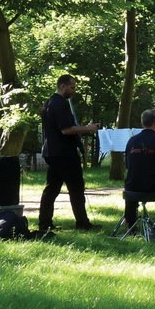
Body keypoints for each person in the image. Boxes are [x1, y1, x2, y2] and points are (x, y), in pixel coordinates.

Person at [38, 74, 100, 233]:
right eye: (72, 87)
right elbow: (66, 130)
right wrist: (88, 128)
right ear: (62, 86)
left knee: (52, 189)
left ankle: (45, 224)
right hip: (64, 153)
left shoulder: (49, 102)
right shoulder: (60, 104)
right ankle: (82, 223)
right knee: (76, 188)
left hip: (53, 152)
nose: (74, 91)